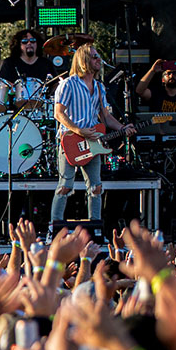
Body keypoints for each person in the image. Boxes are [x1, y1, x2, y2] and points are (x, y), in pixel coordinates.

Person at [50, 43, 135, 224]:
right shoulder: (68, 84)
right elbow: (58, 113)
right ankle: (54, 227)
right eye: (95, 57)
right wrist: (78, 130)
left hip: (93, 142)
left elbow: (106, 116)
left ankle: (94, 227)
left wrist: (122, 128)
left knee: (96, 187)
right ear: (84, 60)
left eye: (98, 57)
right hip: (71, 141)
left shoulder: (98, 87)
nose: (99, 60)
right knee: (65, 185)